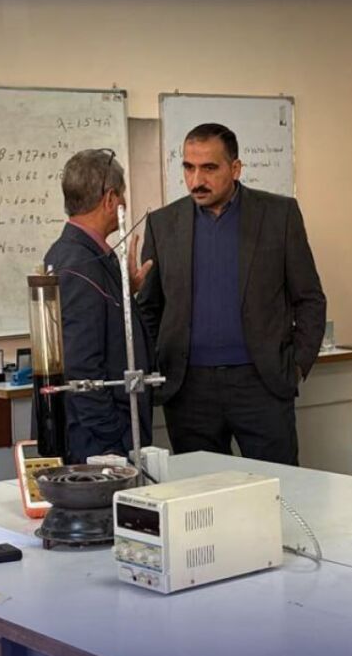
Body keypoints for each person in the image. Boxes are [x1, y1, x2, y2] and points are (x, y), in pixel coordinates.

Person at [133, 123, 326, 466]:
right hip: (188, 390)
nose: (196, 180)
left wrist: (296, 365)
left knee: (278, 484)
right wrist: (157, 366)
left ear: (235, 169)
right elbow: (149, 308)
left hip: (261, 383)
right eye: (188, 167)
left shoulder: (278, 215)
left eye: (209, 168)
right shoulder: (163, 224)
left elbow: (309, 298)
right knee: (202, 489)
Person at [43, 149, 152, 463]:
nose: (124, 203)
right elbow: (82, 368)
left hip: (98, 436)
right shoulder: (80, 264)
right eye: (122, 196)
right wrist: (114, 438)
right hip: (99, 445)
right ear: (110, 199)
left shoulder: (77, 254)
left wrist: (125, 292)